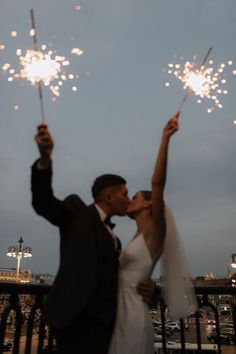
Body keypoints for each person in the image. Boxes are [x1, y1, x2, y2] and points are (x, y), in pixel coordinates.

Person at [31, 124, 155, 354]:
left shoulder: (115, 239)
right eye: (125, 193)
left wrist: (149, 289)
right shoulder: (77, 213)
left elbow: (121, 277)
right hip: (75, 324)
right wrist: (44, 161)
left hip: (107, 328)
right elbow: (43, 202)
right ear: (109, 197)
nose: (128, 200)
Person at [108, 114, 179, 354]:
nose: (129, 200)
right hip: (120, 312)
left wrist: (165, 139)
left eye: (135, 197)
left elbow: (157, 184)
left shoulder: (154, 232)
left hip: (134, 315)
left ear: (149, 204)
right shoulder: (135, 236)